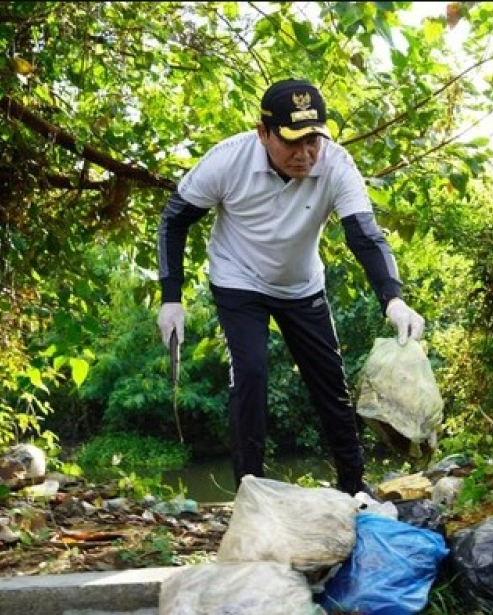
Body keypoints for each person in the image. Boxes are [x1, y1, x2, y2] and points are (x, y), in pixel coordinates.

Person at [155, 78, 425, 497]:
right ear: (264, 133)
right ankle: (252, 492)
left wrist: (393, 299)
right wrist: (171, 297)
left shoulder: (336, 164)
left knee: (330, 384)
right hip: (238, 279)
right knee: (250, 374)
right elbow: (174, 219)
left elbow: (365, 235)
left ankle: (355, 490)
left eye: (313, 141)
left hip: (301, 284)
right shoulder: (227, 161)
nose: (305, 155)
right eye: (292, 143)